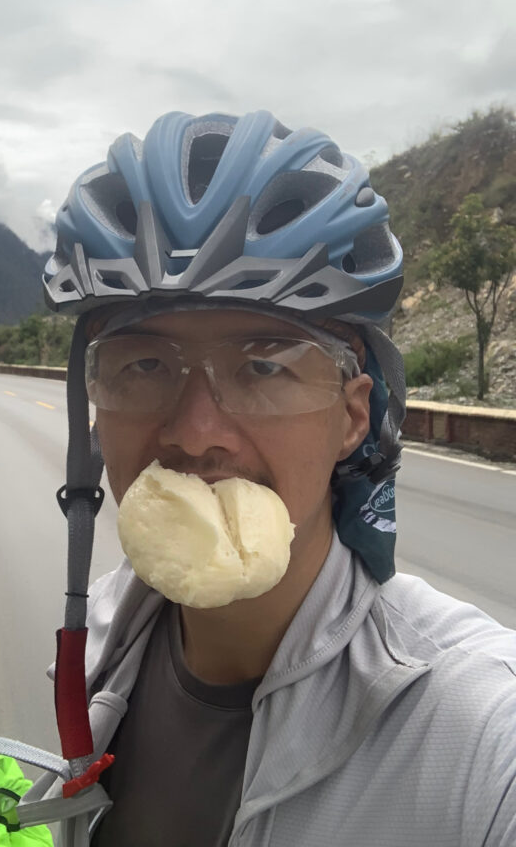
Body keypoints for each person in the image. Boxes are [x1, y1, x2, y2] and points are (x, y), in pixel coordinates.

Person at [29, 110, 516, 845]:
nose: (195, 433)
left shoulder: (474, 727)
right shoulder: (101, 632)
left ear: (353, 417)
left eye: (263, 367)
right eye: (145, 365)